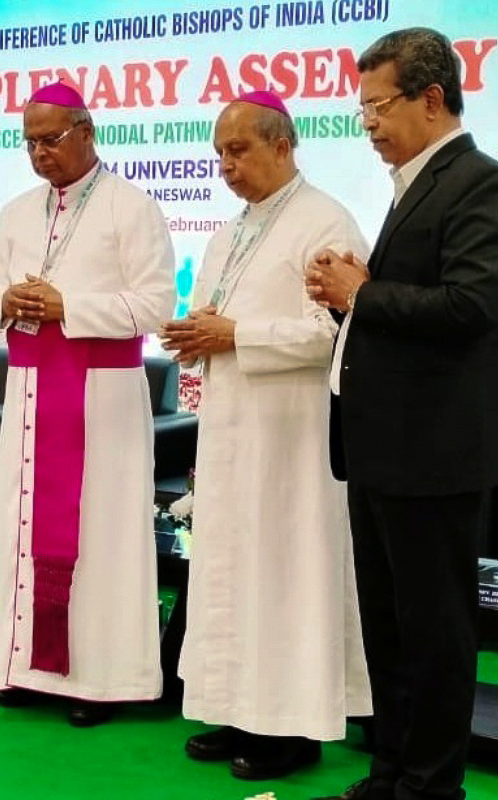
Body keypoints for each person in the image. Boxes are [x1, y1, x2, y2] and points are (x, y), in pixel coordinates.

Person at [306, 28, 498, 800]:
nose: (369, 123)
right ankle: (391, 770)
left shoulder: (476, 180)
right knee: (388, 626)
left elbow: (473, 304)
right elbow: (403, 309)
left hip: (434, 453)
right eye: (361, 110)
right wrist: (344, 297)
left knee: (436, 631)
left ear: (430, 97)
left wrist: (363, 293)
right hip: (382, 447)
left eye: (378, 106)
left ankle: (431, 785)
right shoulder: (417, 182)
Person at [159, 91, 371, 780]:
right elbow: (216, 315)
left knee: (285, 577)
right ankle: (237, 707)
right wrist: (198, 335)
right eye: (219, 152)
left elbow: (332, 332)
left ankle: (293, 729)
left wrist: (235, 335)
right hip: (231, 429)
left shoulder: (325, 221)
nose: (225, 164)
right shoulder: (232, 231)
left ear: (283, 145)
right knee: (231, 571)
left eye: (239, 149)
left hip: (293, 436)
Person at [0, 81, 174, 726]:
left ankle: (99, 682)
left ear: (86, 131)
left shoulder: (131, 206)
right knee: (22, 526)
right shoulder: (15, 211)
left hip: (102, 396)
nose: (39, 154)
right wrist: (8, 302)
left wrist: (67, 307)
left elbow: (155, 306)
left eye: (50, 139)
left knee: (101, 532)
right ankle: (22, 666)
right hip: (29, 391)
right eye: (29, 142)